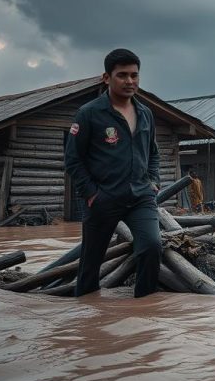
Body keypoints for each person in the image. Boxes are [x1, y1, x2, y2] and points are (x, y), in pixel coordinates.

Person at [65, 48, 161, 298]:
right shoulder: (89, 113)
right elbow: (73, 159)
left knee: (152, 246)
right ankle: (87, 318)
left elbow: (153, 152)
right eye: (122, 75)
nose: (130, 81)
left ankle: (144, 309)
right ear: (106, 78)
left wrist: (153, 181)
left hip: (141, 196)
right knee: (91, 262)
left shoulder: (145, 113)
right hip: (103, 198)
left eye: (134, 75)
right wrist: (91, 194)